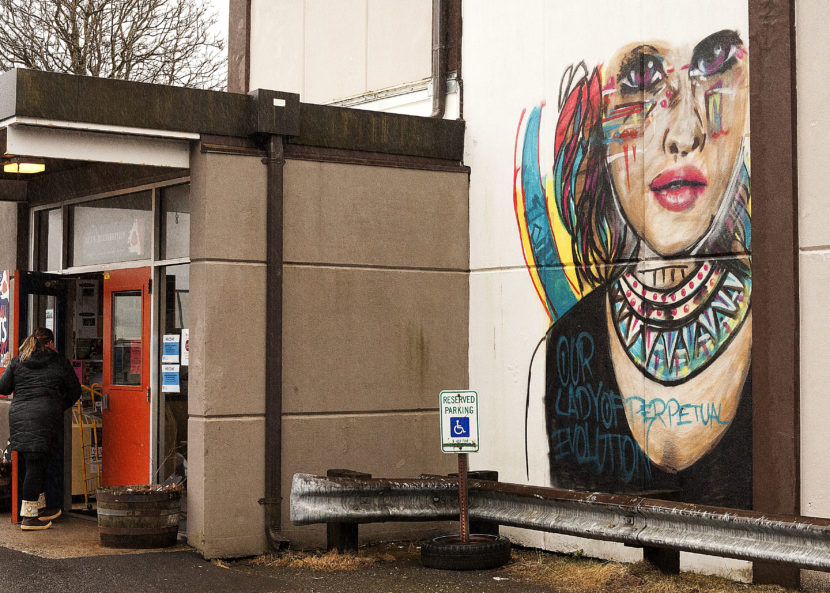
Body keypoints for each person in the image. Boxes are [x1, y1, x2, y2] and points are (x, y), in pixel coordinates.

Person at [532, 30, 752, 508]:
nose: (684, 134)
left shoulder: (793, 330)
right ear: (592, 124)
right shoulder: (569, 344)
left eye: (715, 65)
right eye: (641, 80)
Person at [0, 328, 82, 530]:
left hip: (20, 416)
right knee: (36, 465)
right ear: (50, 343)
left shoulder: (17, 361)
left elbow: (2, 388)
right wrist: (56, 406)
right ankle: (28, 517)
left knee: (37, 463)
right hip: (46, 416)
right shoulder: (58, 362)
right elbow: (75, 390)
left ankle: (40, 508)